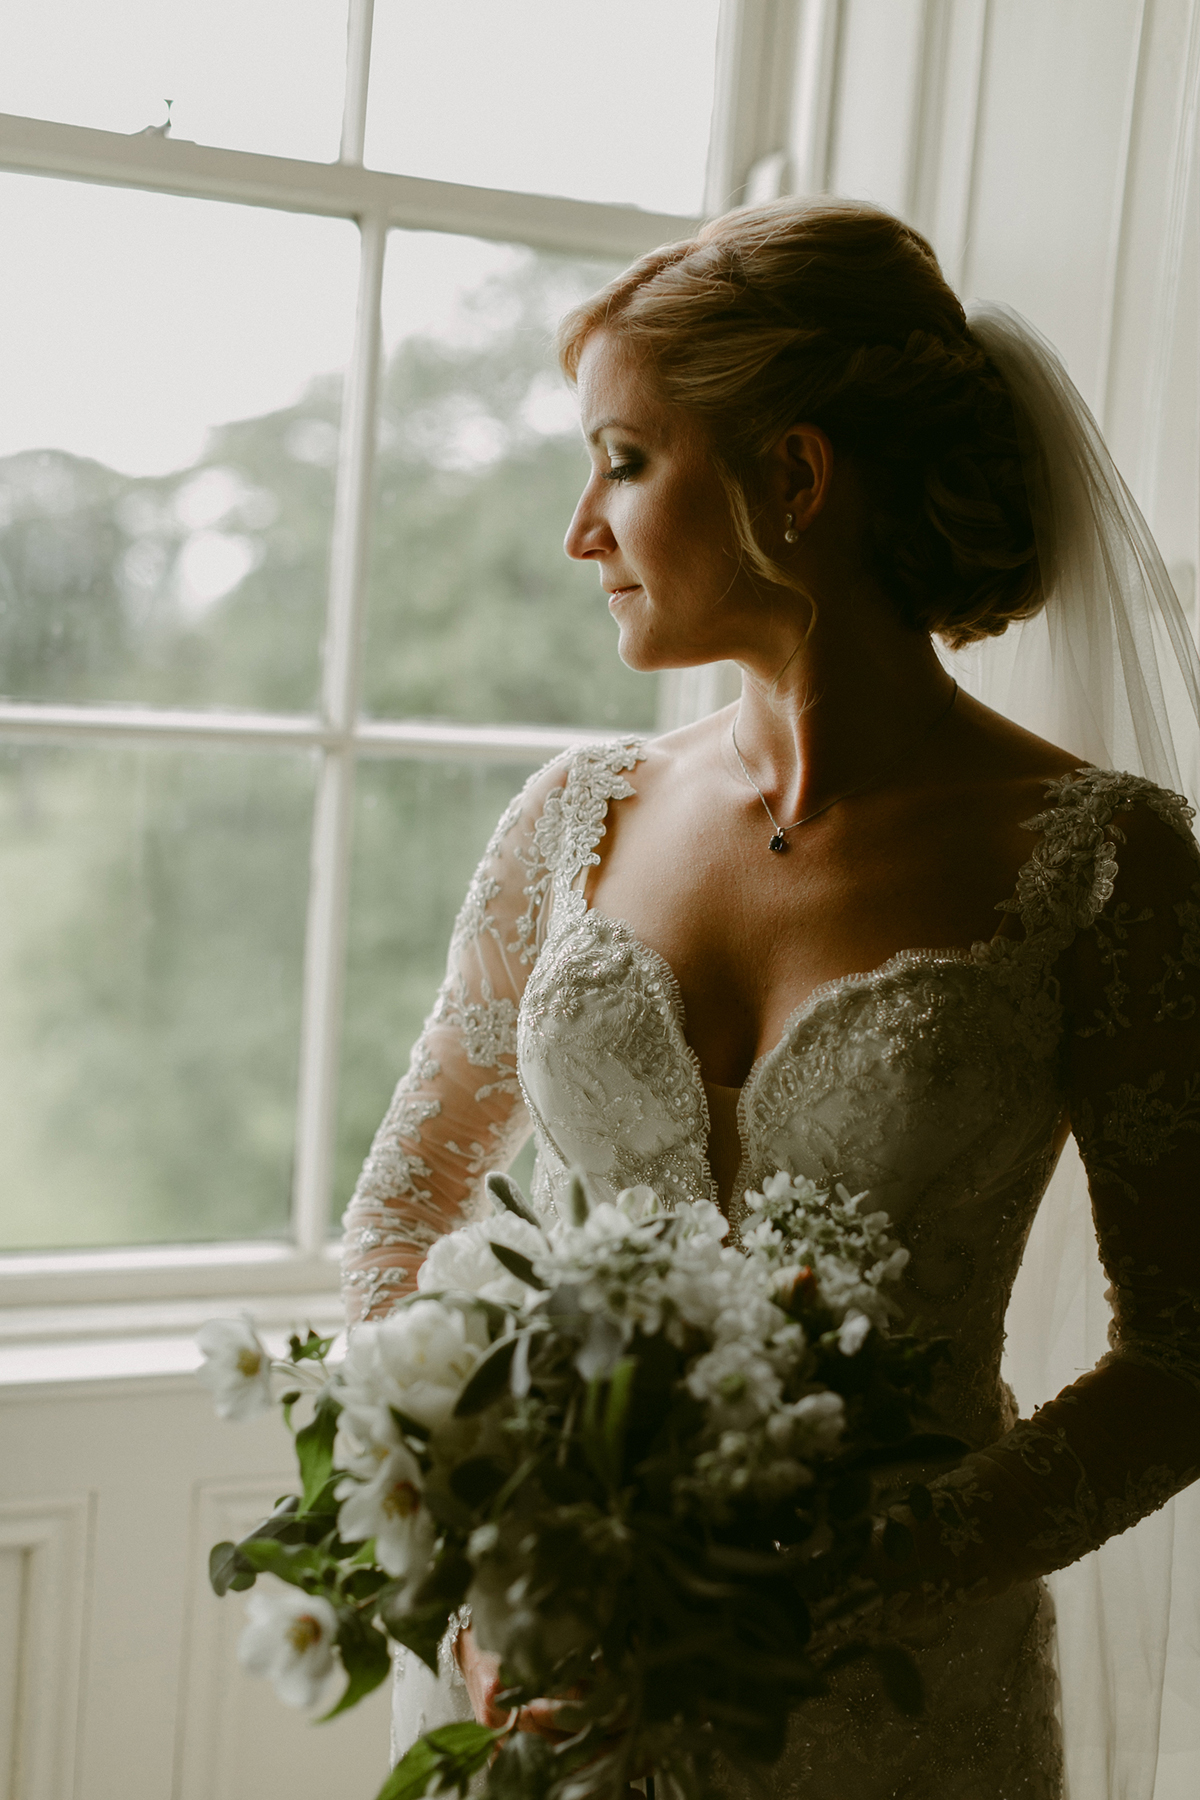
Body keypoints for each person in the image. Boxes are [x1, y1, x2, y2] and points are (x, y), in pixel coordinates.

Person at [342, 198, 1200, 1799]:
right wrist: (488, 1554)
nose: (579, 530)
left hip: (902, 1708)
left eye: (623, 458)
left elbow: (1190, 1355)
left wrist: (851, 1577)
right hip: (561, 1685)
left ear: (793, 481)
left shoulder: (1105, 865)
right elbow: (403, 1214)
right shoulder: (568, 821)